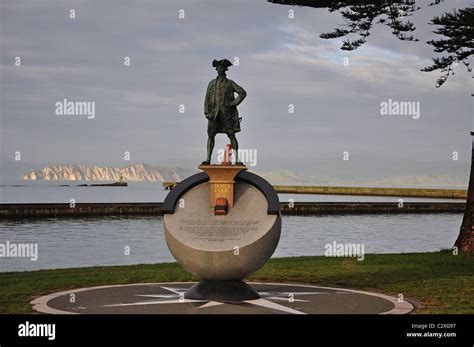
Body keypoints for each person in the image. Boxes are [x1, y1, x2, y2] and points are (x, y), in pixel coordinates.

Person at [202, 59, 247, 165]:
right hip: (214, 114)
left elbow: (242, 93)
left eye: (221, 68)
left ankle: (237, 159)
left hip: (227, 114)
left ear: (225, 70)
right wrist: (206, 112)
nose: (219, 69)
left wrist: (234, 103)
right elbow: (207, 99)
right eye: (218, 68)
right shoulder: (211, 83)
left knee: (231, 135)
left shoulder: (230, 83)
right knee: (211, 135)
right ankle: (208, 158)